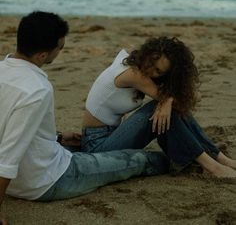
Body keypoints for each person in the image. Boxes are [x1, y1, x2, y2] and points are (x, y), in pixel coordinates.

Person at [0, 12, 170, 225]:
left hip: (27, 171)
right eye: (60, 47)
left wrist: (59, 137)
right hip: (47, 180)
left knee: (87, 149)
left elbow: (10, 125)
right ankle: (185, 161)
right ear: (43, 55)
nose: (60, 51)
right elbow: (9, 154)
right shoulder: (37, 89)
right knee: (140, 159)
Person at [81, 36, 236, 178]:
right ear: (148, 53)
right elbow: (188, 98)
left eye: (158, 71)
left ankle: (220, 158)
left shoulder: (131, 62)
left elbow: (194, 96)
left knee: (166, 108)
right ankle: (213, 166)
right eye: (151, 62)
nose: (150, 69)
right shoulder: (134, 74)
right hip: (97, 146)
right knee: (160, 109)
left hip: (110, 135)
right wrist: (166, 101)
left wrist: (167, 101)